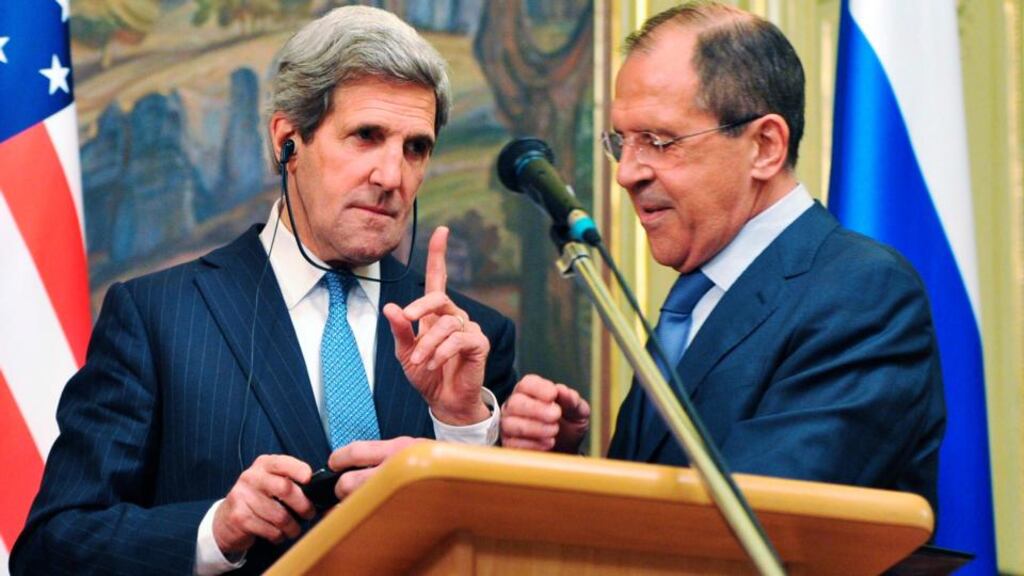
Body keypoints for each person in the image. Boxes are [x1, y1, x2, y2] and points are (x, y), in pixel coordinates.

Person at [11, 6, 517, 575]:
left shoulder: (471, 343)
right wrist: (215, 531)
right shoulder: (157, 318)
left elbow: (512, 549)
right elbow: (51, 549)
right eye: (366, 137)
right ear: (287, 141)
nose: (391, 177)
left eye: (415, 148)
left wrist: (463, 430)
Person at [501, 1, 945, 512]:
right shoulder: (696, 298)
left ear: (765, 147)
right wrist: (564, 460)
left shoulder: (864, 294)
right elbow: (659, 494)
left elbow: (763, 517)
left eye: (659, 141)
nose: (626, 173)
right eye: (621, 142)